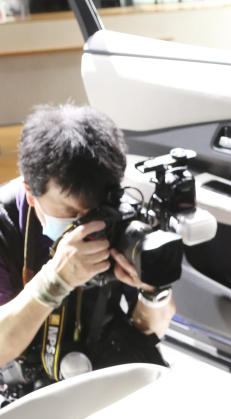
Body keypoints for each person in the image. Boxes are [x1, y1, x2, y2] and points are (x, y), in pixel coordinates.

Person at [0, 104, 175, 398]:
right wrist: (55, 280)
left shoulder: (119, 215)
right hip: (19, 378)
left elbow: (152, 329)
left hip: (96, 359)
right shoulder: (5, 225)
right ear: (31, 192)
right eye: (70, 212)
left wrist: (152, 292)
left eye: (94, 212)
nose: (86, 223)